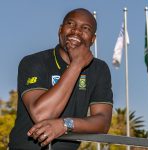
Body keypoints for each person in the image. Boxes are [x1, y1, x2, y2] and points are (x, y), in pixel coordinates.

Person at [9, 8, 113, 150]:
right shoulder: (34, 61)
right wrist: (77, 64)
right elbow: (42, 115)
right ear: (60, 29)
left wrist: (65, 124)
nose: (76, 31)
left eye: (85, 28)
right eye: (71, 24)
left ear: (93, 39)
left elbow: (103, 122)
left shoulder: (99, 69)